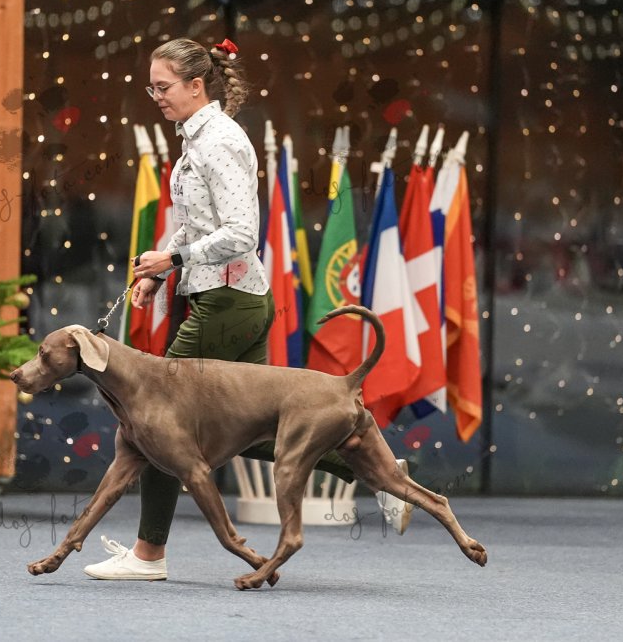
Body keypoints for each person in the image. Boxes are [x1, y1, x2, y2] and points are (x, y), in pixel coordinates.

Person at [83, 38, 410, 581]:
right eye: (151, 87)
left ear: (196, 85)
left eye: (163, 87)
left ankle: (148, 555)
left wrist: (173, 258)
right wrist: (158, 270)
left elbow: (241, 234)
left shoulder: (221, 142)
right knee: (253, 427)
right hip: (229, 301)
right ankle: (382, 471)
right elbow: (197, 224)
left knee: (159, 424)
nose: (155, 96)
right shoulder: (196, 140)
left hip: (228, 304)